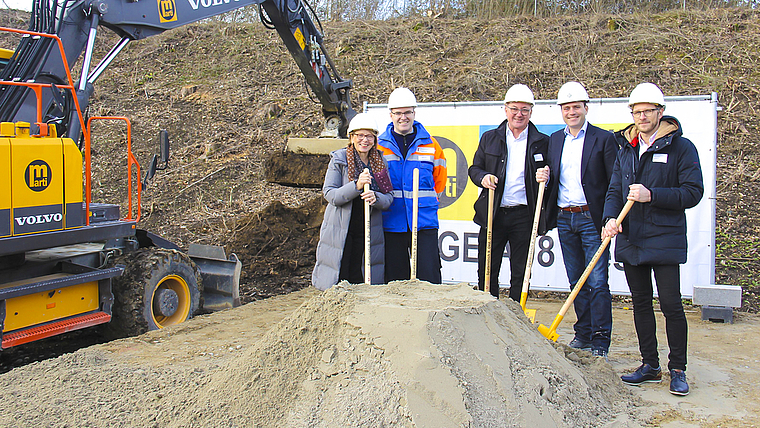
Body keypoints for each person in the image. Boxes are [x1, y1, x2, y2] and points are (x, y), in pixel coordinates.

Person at [602, 83, 703, 396]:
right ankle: (650, 365)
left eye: (648, 111)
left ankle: (678, 369)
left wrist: (652, 195)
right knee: (640, 304)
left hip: (665, 237)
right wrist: (609, 218)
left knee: (671, 305)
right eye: (637, 111)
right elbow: (615, 190)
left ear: (661, 112)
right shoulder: (626, 148)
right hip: (632, 238)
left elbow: (692, 192)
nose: (642, 116)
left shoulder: (680, 148)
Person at [536, 82, 618, 358]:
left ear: (586, 108)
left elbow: (612, 183)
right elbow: (553, 178)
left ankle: (600, 339)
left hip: (591, 218)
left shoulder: (603, 139)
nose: (571, 112)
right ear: (561, 111)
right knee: (575, 280)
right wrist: (544, 179)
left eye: (576, 107)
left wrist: (609, 217)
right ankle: (583, 333)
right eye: (566, 108)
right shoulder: (555, 140)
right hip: (564, 218)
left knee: (596, 281)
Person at [468, 84, 549, 301]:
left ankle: (516, 315)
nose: (519, 114)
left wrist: (546, 177)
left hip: (524, 215)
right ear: (505, 109)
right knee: (487, 269)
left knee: (521, 271)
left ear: (531, 111)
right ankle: (488, 311)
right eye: (514, 108)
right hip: (493, 214)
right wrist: (483, 177)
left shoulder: (542, 142)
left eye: (524, 109)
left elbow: (550, 179)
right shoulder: (490, 138)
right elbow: (474, 169)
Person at [312, 113, 394, 290]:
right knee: (340, 277)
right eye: (360, 135)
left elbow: (388, 198)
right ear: (351, 137)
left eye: (369, 136)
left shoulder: (380, 163)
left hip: (368, 231)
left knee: (361, 277)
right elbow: (330, 194)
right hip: (341, 230)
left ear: (375, 139)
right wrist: (356, 185)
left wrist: (375, 197)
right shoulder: (339, 160)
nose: (364, 140)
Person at [377, 87, 447, 283]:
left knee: (429, 277)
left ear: (414, 113)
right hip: (392, 221)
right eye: (398, 113)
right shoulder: (379, 146)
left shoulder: (431, 144)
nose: (403, 117)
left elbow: (439, 181)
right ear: (390, 115)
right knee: (395, 280)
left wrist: (427, 204)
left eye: (407, 112)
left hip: (423, 222)